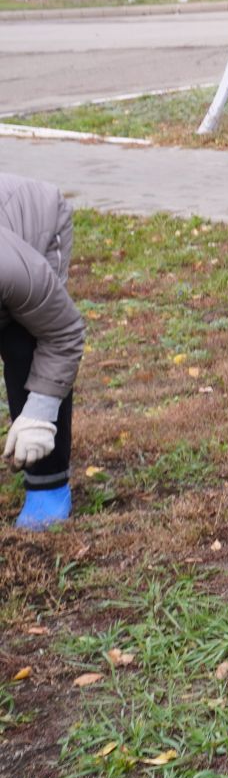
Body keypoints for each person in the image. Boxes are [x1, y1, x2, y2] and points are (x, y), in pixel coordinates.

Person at [2, 173, 86, 530]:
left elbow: (62, 333)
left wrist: (39, 413)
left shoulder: (11, 273)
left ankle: (47, 485)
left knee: (25, 343)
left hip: (34, 223)